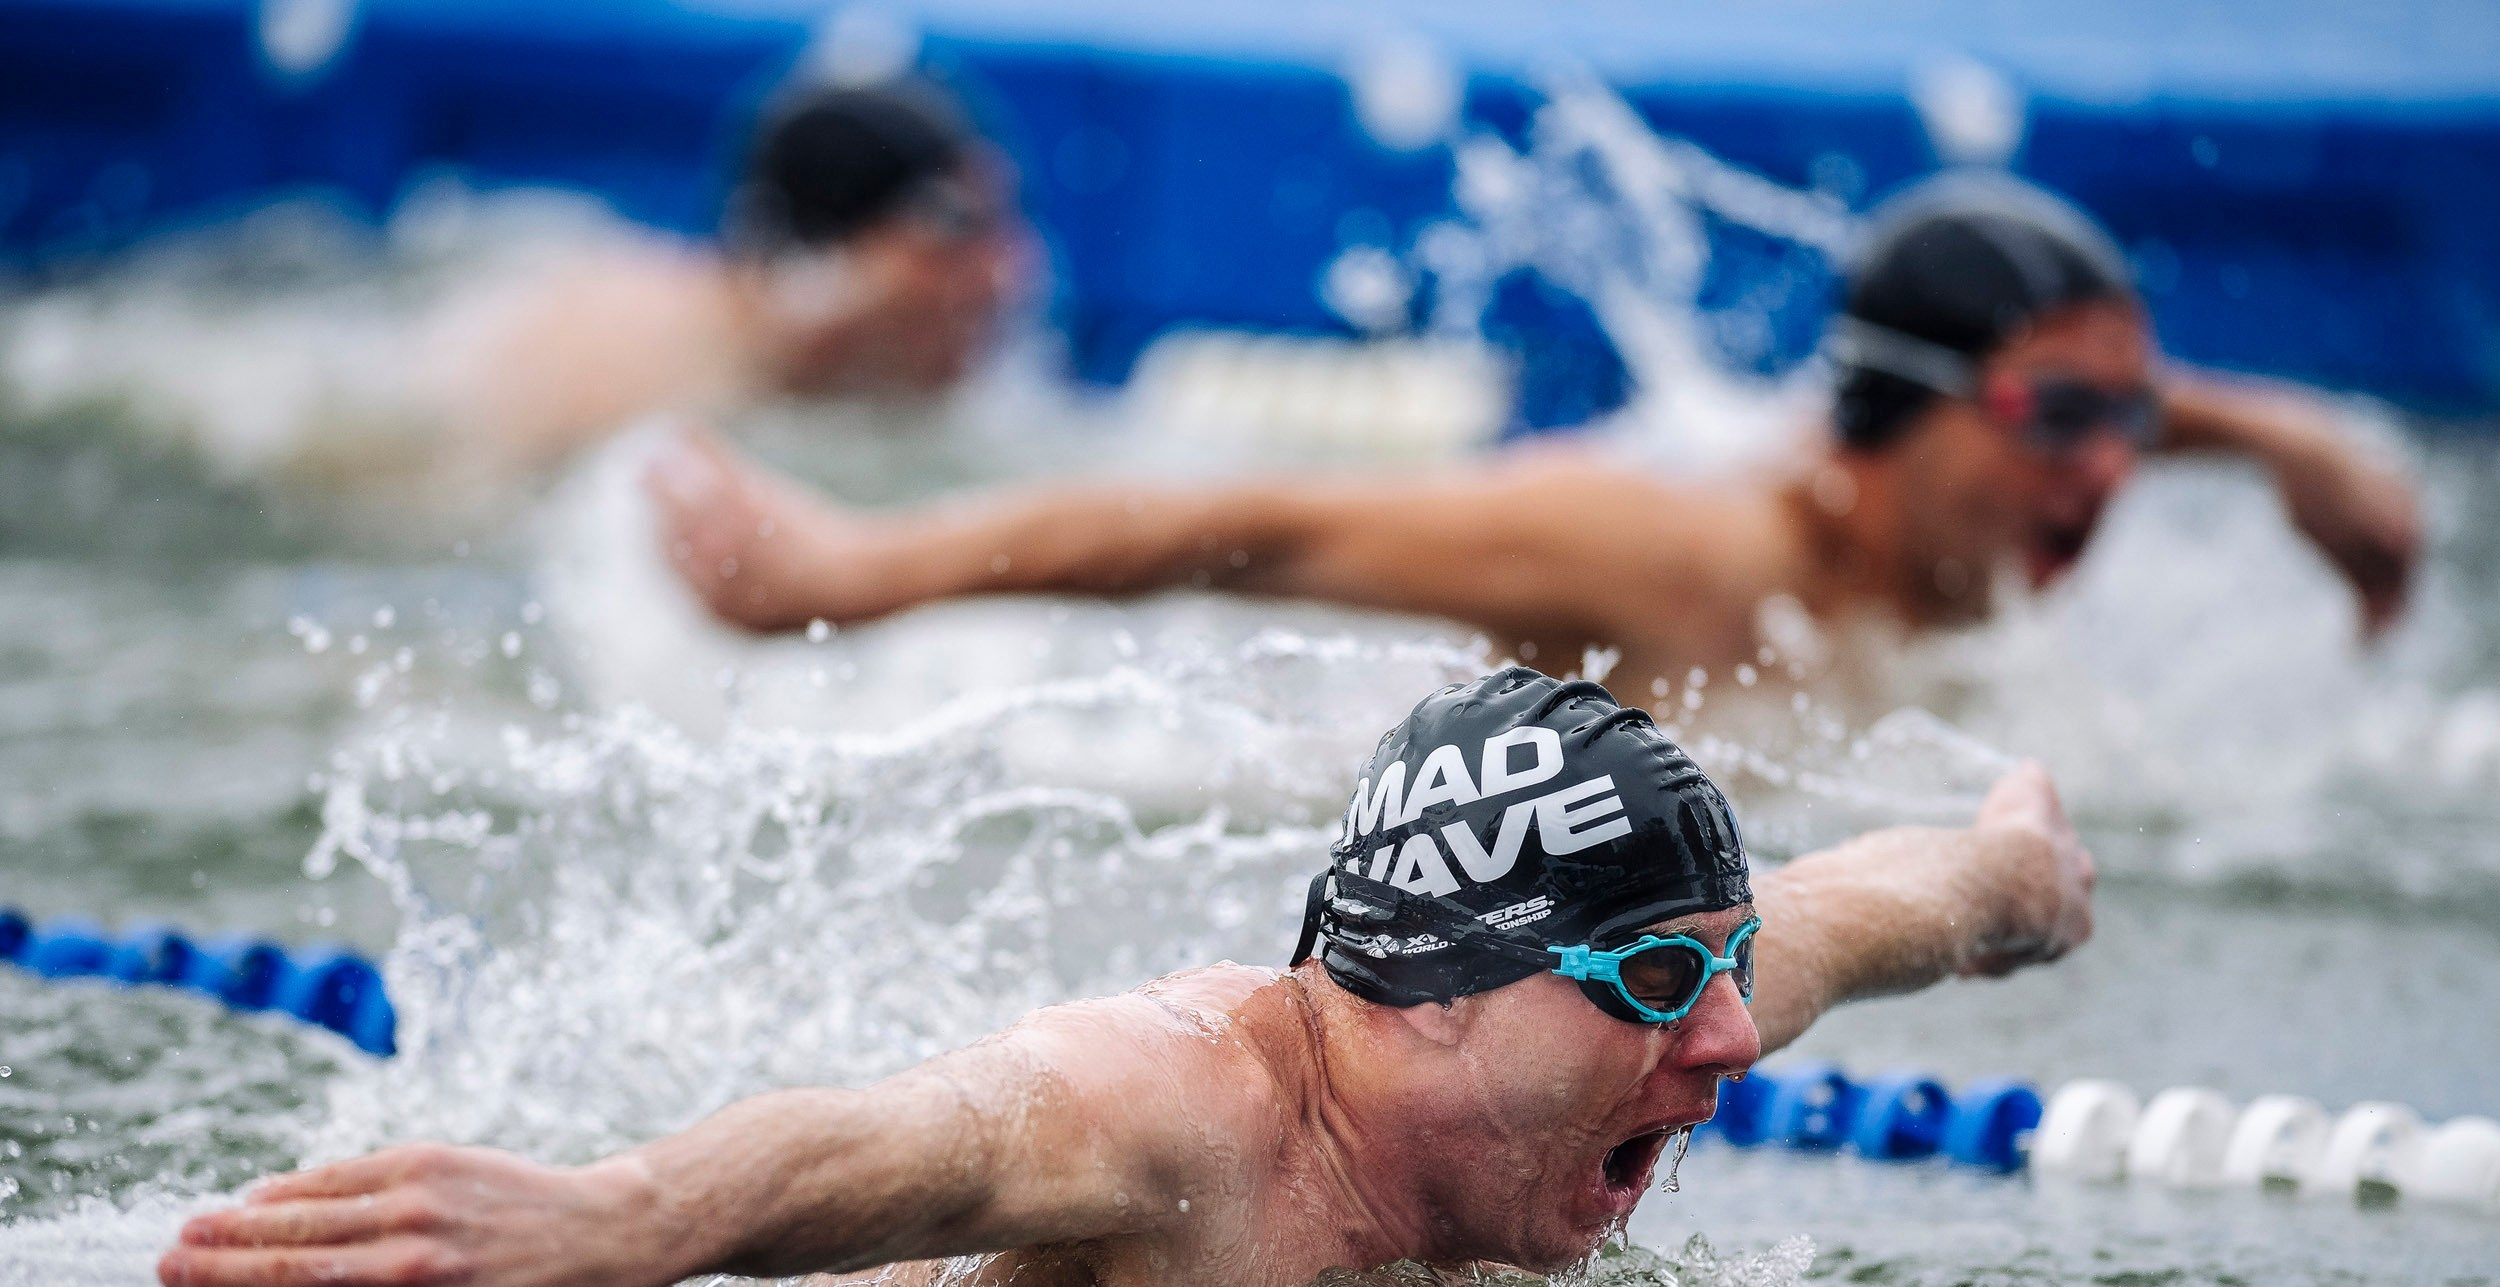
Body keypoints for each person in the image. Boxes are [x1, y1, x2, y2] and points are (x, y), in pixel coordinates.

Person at [158, 669, 2095, 1287]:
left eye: (1726, 959)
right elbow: (901, 1134)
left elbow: (1887, 896)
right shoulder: (1177, 1110)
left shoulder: (1653, 1009)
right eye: (1661, 980)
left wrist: (2016, 872)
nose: (1735, 1038)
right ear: (1427, 989)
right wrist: (605, 1223)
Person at [646, 173, 2419, 694]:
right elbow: (1250, 525)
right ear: (1893, 412)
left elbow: (2107, 408)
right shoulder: (1675, 552)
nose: (2111, 469)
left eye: (2135, 422)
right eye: (2063, 422)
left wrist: (2294, 450)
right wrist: (856, 570)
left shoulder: (1953, 493)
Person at [426, 76, 1032, 472]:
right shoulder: (627, 369)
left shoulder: (869, 401)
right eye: (957, 229)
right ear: (834, 268)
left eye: (1005, 223)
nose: (1005, 272)